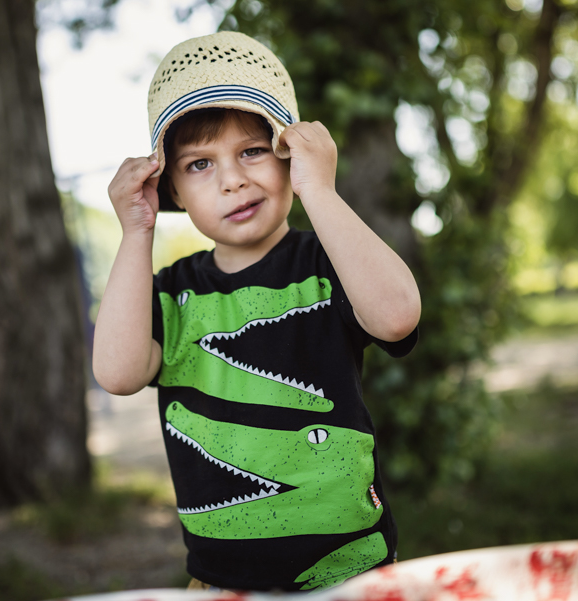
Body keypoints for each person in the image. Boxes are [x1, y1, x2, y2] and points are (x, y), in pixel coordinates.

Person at [92, 31, 421, 592]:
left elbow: (396, 317)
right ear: (169, 186)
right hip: (224, 584)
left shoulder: (327, 261)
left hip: (351, 575)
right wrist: (135, 232)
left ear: (289, 153)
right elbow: (118, 374)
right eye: (199, 164)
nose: (232, 179)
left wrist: (319, 190)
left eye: (253, 150)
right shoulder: (171, 293)